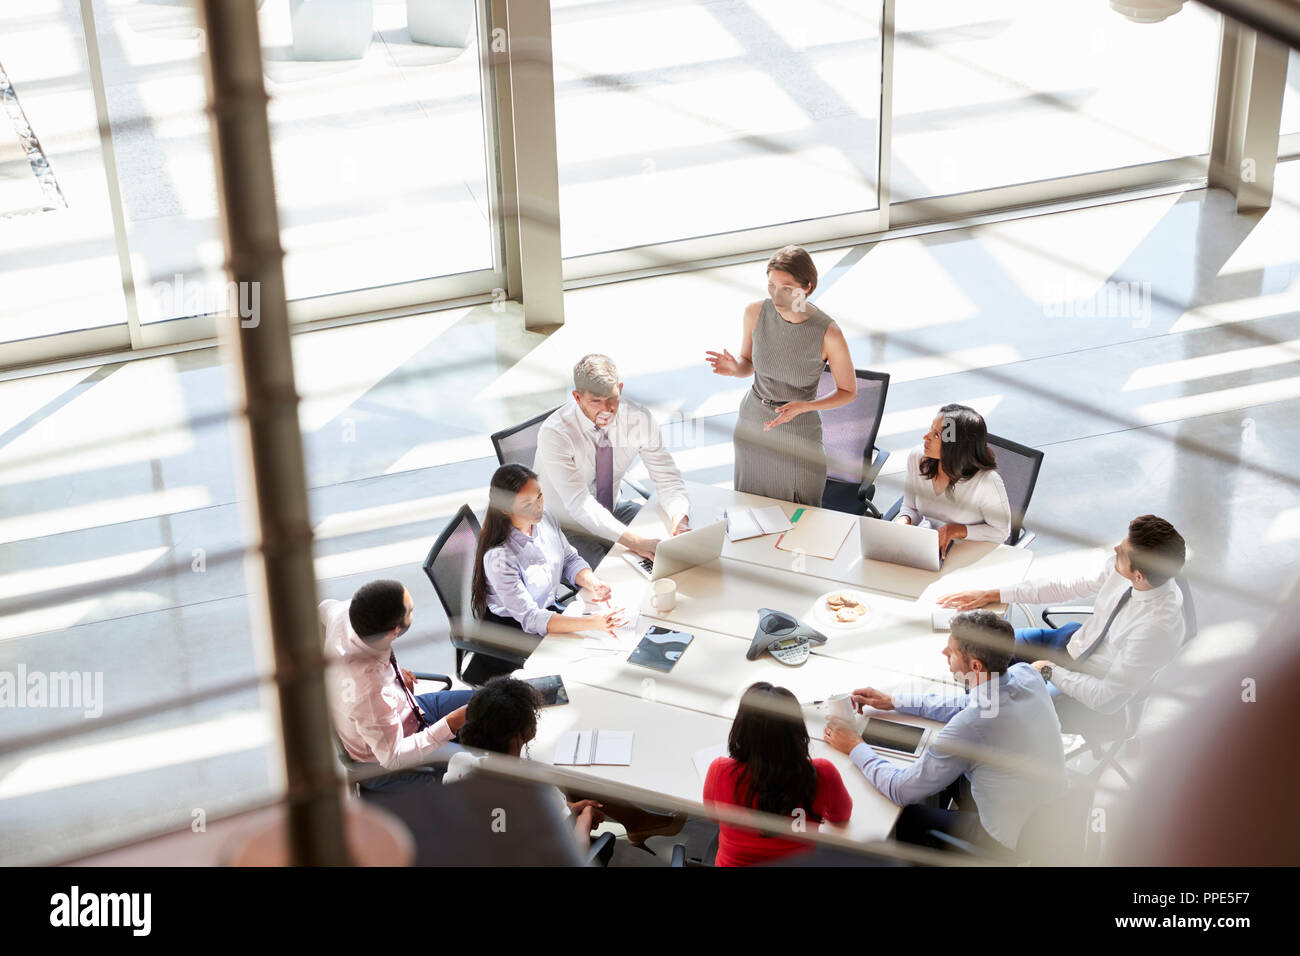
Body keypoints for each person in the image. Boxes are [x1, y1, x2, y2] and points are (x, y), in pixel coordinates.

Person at [824, 611, 1066, 855]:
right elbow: (967, 704)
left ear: (975, 666)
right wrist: (893, 701)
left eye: (952, 651)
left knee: (906, 817)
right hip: (1049, 812)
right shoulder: (1026, 674)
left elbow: (900, 789)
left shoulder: (971, 726)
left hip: (1009, 841)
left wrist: (854, 745)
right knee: (942, 777)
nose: (944, 653)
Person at [938, 514, 1187, 737]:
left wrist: (1049, 671)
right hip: (1071, 642)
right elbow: (1067, 585)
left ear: (1139, 576)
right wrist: (994, 594)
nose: (1115, 550)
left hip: (1089, 688)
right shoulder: (1124, 569)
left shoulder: (1157, 630)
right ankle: (965, 715)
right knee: (977, 648)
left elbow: (1107, 700)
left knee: (1000, 715)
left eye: (1122, 552)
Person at [706, 245, 857, 507]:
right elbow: (748, 364)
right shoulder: (755, 313)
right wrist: (735, 368)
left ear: (807, 286)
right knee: (750, 509)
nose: (776, 295)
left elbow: (848, 390)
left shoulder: (829, 333)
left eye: (786, 288)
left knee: (801, 514)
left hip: (798, 431)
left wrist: (807, 407)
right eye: (771, 285)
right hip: (753, 422)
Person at [469, 463, 624, 684]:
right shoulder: (499, 558)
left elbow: (569, 559)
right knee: (586, 667)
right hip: (515, 634)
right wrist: (592, 623)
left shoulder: (545, 519)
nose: (538, 507)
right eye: (527, 504)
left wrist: (592, 582)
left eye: (540, 497)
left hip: (545, 612)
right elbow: (531, 618)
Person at [536, 354, 691, 569]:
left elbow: (667, 479)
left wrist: (679, 518)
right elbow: (579, 505)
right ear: (577, 398)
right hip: (565, 526)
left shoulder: (638, 419)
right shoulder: (556, 434)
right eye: (596, 401)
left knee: (673, 551)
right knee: (614, 575)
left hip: (612, 509)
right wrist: (637, 542)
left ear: (620, 387)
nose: (606, 409)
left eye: (612, 398)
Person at [320, 579, 474, 790]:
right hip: (387, 760)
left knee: (487, 702)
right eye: (411, 610)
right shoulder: (370, 691)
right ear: (394, 631)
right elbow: (393, 757)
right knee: (483, 772)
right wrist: (451, 723)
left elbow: (320, 608)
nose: (414, 610)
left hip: (409, 708)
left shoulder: (343, 613)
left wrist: (391, 671)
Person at [443, 677, 609, 858]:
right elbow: (574, 854)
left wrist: (570, 806)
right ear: (521, 733)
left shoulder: (459, 763)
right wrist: (586, 816)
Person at [703, 681, 853, 866]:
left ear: (741, 729)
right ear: (797, 731)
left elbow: (712, 816)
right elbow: (841, 815)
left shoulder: (720, 771)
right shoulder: (821, 773)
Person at [895, 403, 1011, 557]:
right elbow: (911, 507)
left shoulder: (986, 482)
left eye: (936, 435)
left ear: (955, 446)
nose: (925, 437)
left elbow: (1001, 532)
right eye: (931, 429)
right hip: (927, 548)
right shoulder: (918, 458)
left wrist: (956, 529)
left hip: (967, 553)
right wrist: (903, 522)